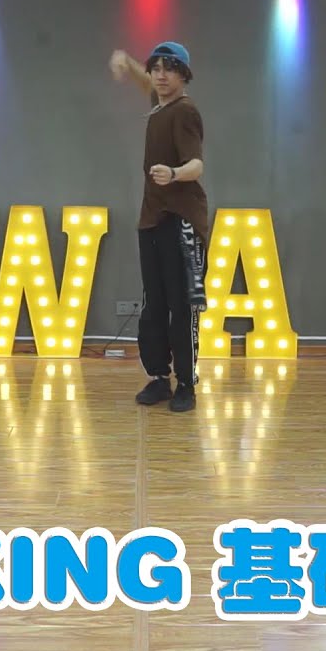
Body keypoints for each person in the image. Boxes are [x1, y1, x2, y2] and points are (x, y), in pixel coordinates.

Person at [108, 42, 209, 413]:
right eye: (157, 69)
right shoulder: (161, 105)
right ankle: (158, 377)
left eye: (170, 69)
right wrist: (128, 62)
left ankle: (186, 384)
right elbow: (147, 84)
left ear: (184, 75)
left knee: (183, 306)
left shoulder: (185, 111)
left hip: (182, 221)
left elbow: (196, 164)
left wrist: (175, 173)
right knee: (154, 305)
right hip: (151, 221)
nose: (161, 76)